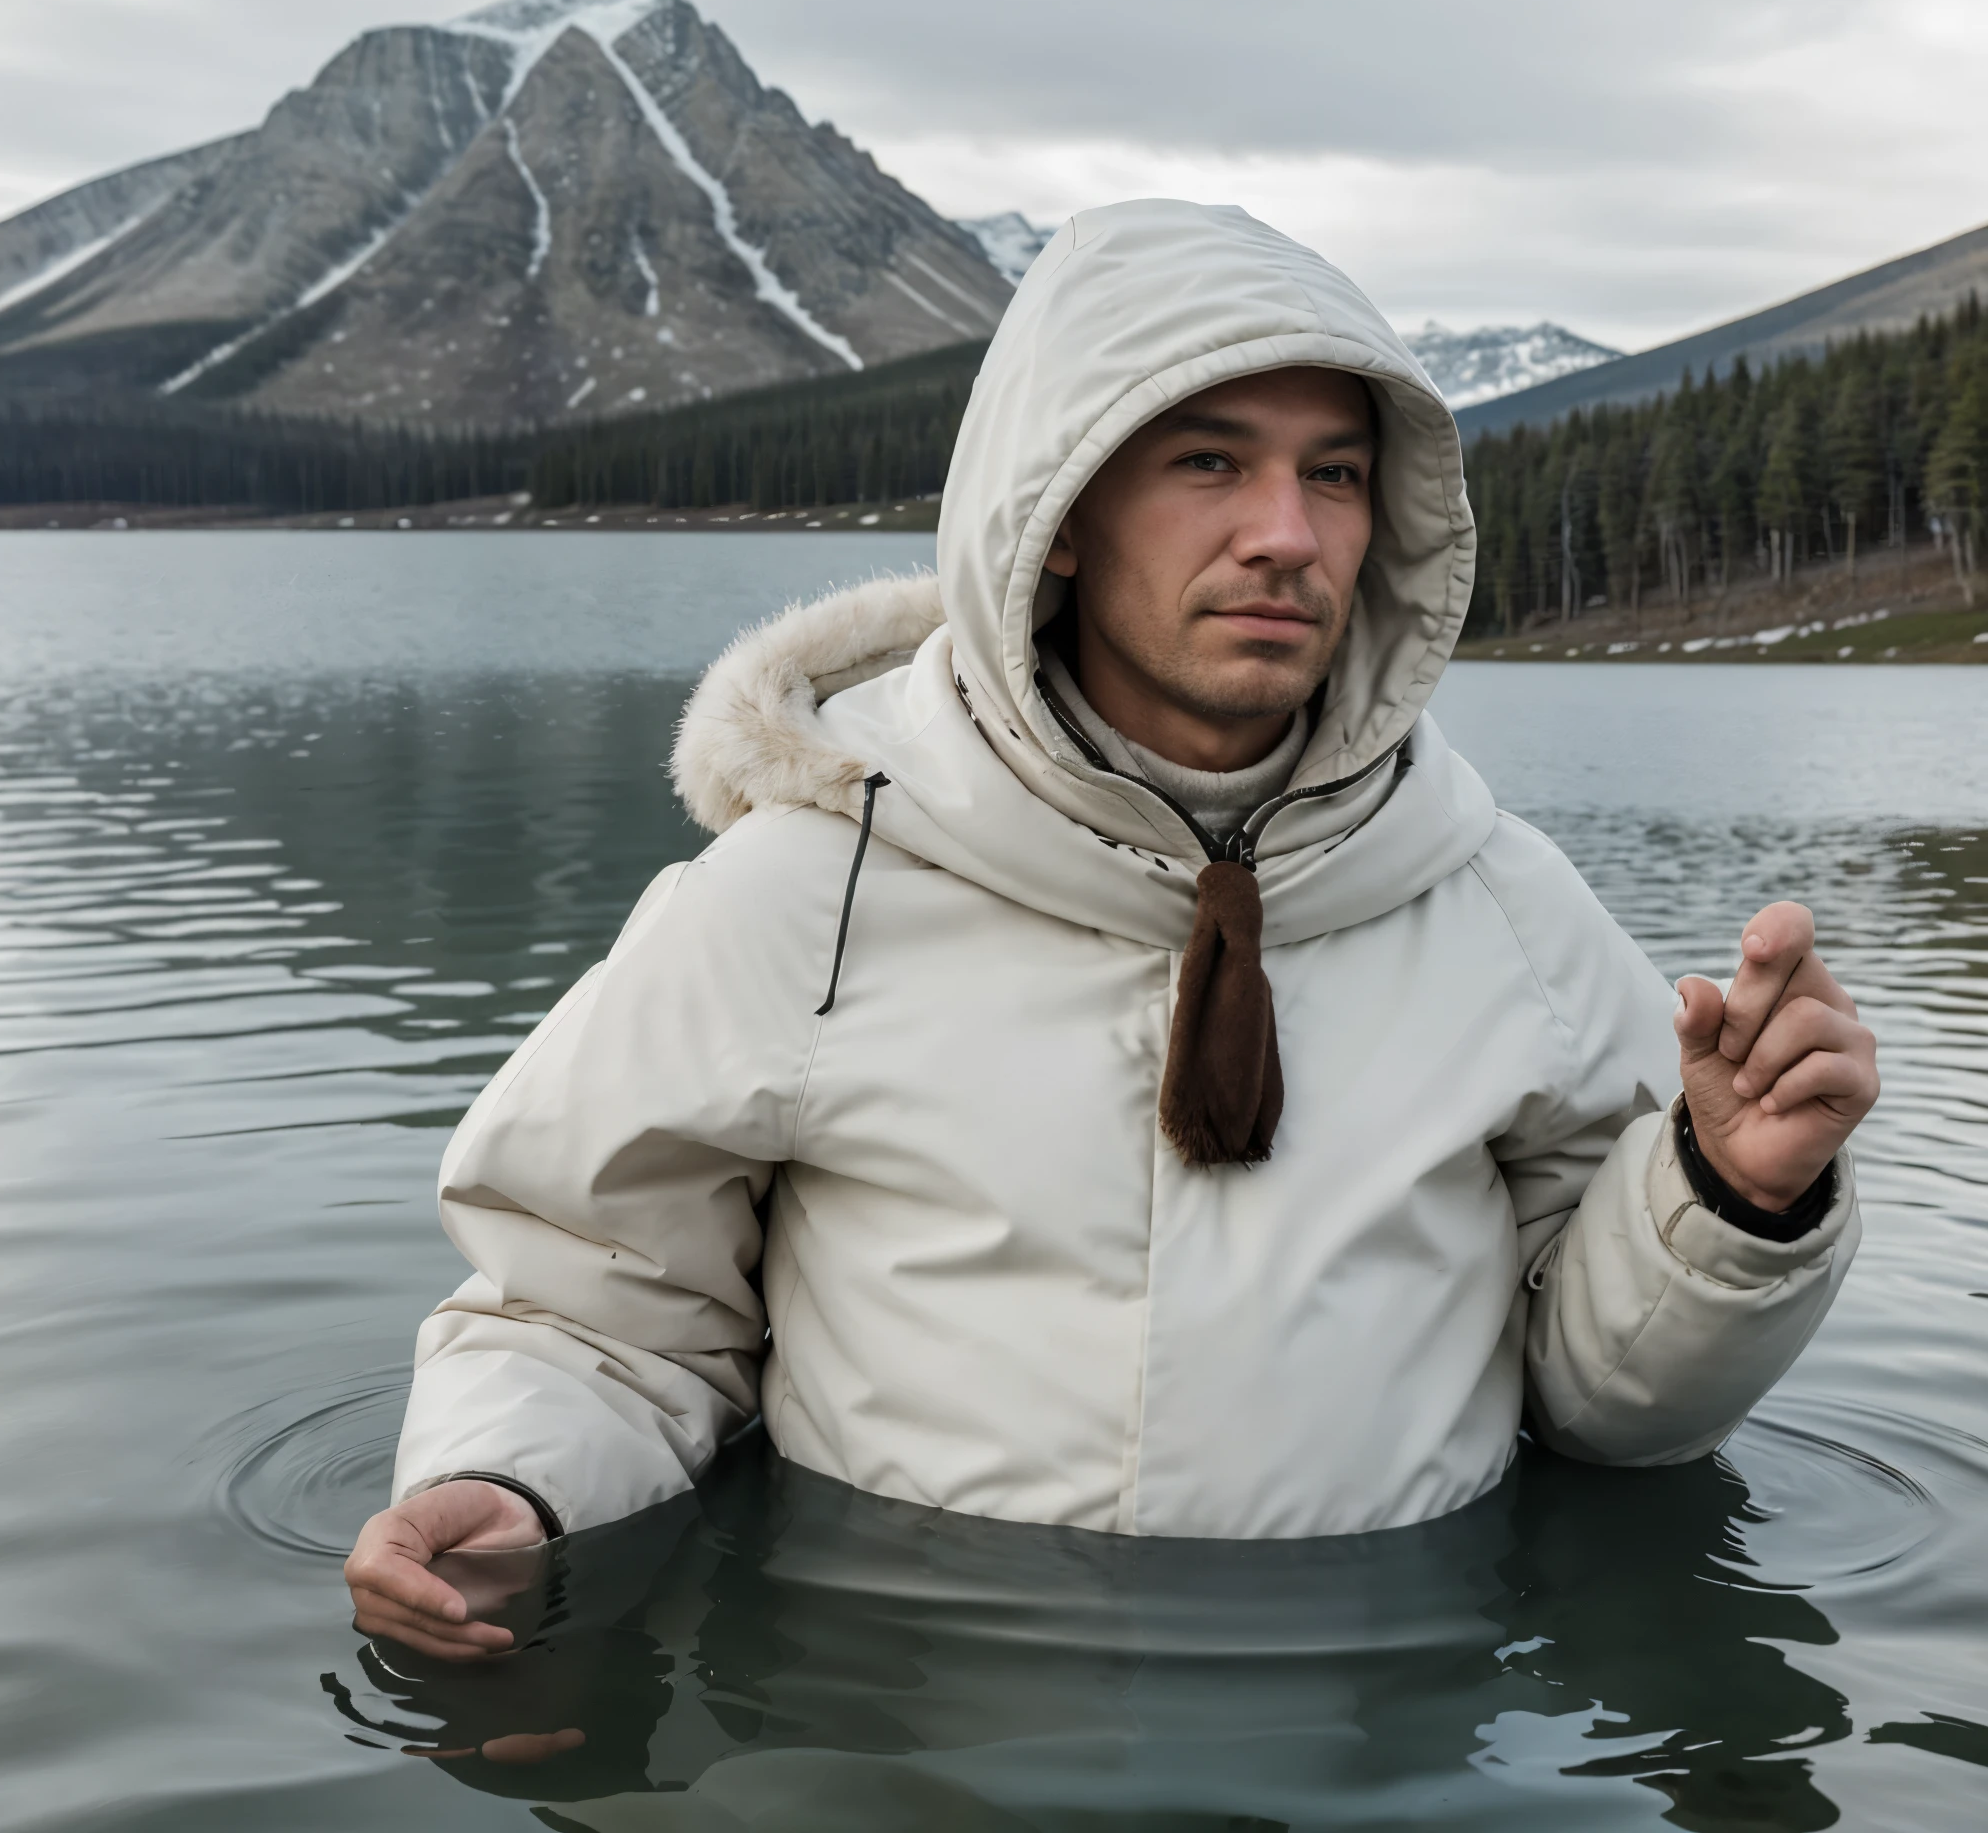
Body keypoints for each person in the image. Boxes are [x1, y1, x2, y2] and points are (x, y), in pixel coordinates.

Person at [346, 199, 1876, 1661]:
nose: (1288, 534)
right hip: (907, 1748)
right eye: (1211, 462)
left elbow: (1609, 1412)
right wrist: (513, 1484)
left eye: (1335, 475)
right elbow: (596, 1312)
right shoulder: (803, 894)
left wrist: (1729, 1200)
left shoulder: (1504, 909)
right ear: (1058, 517)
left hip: (1380, 1752)